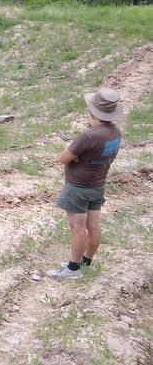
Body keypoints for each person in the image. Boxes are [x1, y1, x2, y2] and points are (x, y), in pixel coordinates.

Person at [47, 87, 123, 281]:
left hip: (78, 187)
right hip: (98, 186)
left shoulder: (89, 136)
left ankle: (73, 269)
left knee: (78, 228)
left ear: (92, 111)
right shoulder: (115, 133)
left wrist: (74, 157)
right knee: (93, 226)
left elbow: (64, 157)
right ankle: (86, 262)